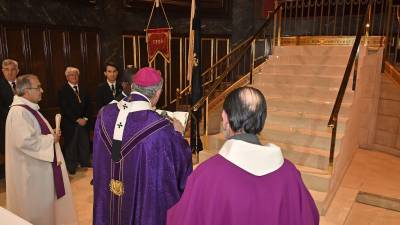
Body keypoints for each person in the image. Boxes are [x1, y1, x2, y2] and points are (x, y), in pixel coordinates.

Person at [167, 86, 320, 225]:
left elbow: (182, 219)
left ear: (225, 118)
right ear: (263, 121)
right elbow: (310, 217)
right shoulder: (290, 174)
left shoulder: (206, 175)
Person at [93, 67, 192, 225]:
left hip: (108, 194)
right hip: (138, 202)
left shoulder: (104, 114)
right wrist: (179, 134)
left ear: (132, 87)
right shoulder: (162, 130)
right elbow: (180, 167)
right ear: (157, 93)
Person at [5, 74, 78, 225]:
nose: (42, 90)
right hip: (31, 173)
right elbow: (25, 141)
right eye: (38, 87)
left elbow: (34, 133)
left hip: (39, 168)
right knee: (35, 209)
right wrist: (51, 138)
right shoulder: (19, 112)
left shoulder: (29, 109)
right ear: (26, 91)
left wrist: (50, 133)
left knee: (46, 207)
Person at [58, 67, 91, 174]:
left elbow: (88, 106)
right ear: (67, 77)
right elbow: (65, 108)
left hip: (84, 122)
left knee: (84, 144)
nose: (74, 77)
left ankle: (84, 163)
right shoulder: (63, 90)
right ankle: (71, 166)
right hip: (70, 124)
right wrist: (77, 119)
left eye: (76, 74)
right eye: (72, 75)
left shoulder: (84, 88)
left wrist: (85, 118)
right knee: (71, 146)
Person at [0, 59, 18, 178]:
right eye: (6, 70)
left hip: (24, 124)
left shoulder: (23, 83)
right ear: (2, 71)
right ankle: (12, 178)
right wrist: (13, 117)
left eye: (12, 70)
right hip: (5, 125)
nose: (9, 72)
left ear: (17, 71)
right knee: (10, 153)